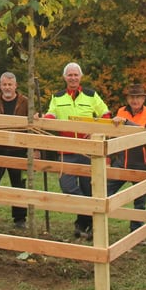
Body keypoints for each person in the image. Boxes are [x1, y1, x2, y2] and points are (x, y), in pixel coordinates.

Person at [43, 61, 111, 239]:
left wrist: (96, 131)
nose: (73, 78)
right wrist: (42, 118)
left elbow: (106, 114)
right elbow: (51, 114)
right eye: (69, 75)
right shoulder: (57, 97)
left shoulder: (91, 95)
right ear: (65, 77)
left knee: (89, 189)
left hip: (88, 151)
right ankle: (88, 216)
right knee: (67, 186)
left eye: (76, 75)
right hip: (67, 151)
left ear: (80, 77)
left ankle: (84, 226)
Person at [108, 83, 146, 232]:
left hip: (141, 163)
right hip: (122, 161)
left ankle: (136, 231)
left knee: (140, 202)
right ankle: (99, 225)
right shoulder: (121, 111)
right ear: (128, 99)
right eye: (132, 97)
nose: (134, 100)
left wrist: (126, 123)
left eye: (138, 97)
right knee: (105, 192)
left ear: (144, 99)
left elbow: (143, 133)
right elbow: (114, 133)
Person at [0, 71, 29, 229]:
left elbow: (32, 127)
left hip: (18, 151)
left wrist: (33, 149)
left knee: (18, 185)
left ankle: (20, 219)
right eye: (4, 84)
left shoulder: (25, 102)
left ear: (15, 86)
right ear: (0, 86)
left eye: (10, 84)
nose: (7, 87)